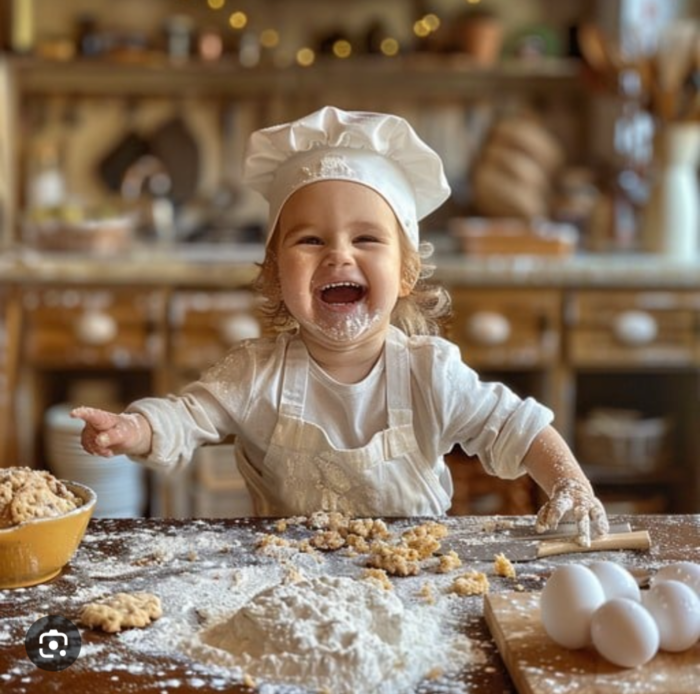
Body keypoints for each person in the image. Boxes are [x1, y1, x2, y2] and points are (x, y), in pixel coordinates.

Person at [72, 105, 608, 544]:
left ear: (406, 272)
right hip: (287, 583)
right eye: (310, 240)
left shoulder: (429, 373)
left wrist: (570, 483)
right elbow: (186, 417)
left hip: (413, 583)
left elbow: (518, 425)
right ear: (275, 274)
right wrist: (134, 430)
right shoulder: (257, 374)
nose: (338, 256)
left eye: (366, 239)